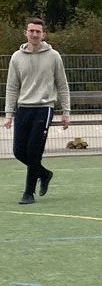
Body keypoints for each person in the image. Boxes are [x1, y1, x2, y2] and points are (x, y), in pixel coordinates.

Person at [4, 18, 70, 205]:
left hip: (44, 108)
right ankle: (44, 173)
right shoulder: (16, 57)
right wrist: (9, 114)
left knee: (34, 152)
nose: (34, 34)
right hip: (23, 108)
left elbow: (62, 85)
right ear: (25, 33)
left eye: (38, 31)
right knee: (18, 151)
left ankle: (28, 192)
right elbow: (12, 87)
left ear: (43, 34)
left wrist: (66, 111)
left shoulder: (53, 56)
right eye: (31, 31)